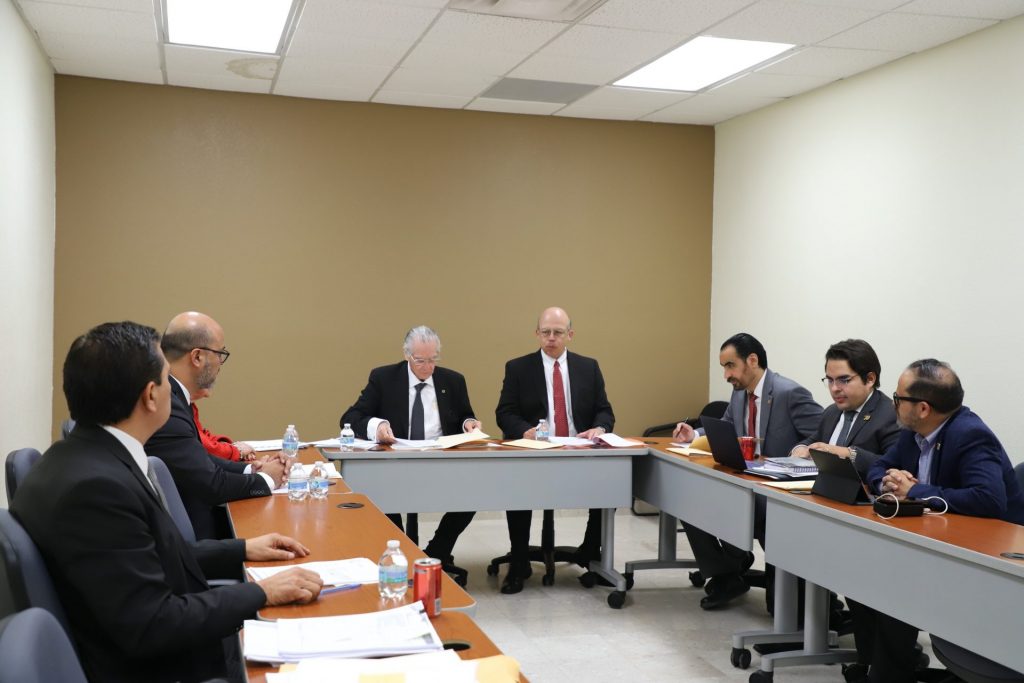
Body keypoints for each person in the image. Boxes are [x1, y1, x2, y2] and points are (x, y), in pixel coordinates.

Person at [11, 321, 323, 683]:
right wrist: (261, 592)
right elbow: (152, 623)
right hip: (168, 668)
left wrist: (242, 548)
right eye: (165, 379)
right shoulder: (97, 489)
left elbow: (148, 555)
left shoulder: (81, 458)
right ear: (151, 396)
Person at [850, 359, 1024, 683]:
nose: (893, 404)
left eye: (898, 398)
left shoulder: (970, 434)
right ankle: (889, 669)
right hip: (933, 541)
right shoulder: (914, 432)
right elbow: (878, 466)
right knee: (872, 573)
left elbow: (989, 499)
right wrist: (887, 482)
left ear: (923, 408)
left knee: (893, 584)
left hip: (986, 557)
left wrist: (916, 491)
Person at [673, 333, 821, 609]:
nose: (726, 375)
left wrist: (799, 449)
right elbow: (727, 425)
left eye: (730, 366)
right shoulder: (740, 393)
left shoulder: (789, 393)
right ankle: (726, 574)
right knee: (690, 501)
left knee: (740, 509)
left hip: (777, 490)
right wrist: (694, 434)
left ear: (752, 360)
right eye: (724, 368)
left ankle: (737, 560)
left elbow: (822, 434)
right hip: (746, 481)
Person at [341, 325, 482, 580]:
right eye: (420, 361)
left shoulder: (453, 381)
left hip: (441, 463)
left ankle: (436, 553)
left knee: (473, 494)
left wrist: (469, 424)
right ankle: (400, 554)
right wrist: (377, 426)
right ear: (407, 355)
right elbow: (350, 417)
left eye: (433, 359)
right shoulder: (384, 378)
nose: (427, 367)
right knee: (380, 496)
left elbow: (464, 415)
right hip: (395, 464)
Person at [495, 306, 615, 595]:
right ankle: (519, 561)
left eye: (558, 332)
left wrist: (599, 428)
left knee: (611, 483)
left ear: (570, 335)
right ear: (537, 334)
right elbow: (505, 413)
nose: (551, 338)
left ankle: (591, 552)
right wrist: (525, 430)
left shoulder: (588, 367)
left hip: (578, 450)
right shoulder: (518, 368)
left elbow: (605, 411)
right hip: (535, 453)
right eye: (545, 332)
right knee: (518, 486)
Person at [146, 311, 286, 540]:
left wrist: (251, 470)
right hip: (199, 543)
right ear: (197, 357)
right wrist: (268, 479)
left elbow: (199, 459)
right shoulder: (167, 403)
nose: (221, 363)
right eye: (220, 354)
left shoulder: (175, 396)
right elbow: (211, 484)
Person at [791, 339, 900, 476]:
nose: (834, 388)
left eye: (844, 380)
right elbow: (813, 441)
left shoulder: (891, 415)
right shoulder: (831, 411)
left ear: (870, 379)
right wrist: (800, 448)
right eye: (830, 380)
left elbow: (895, 466)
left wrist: (848, 454)